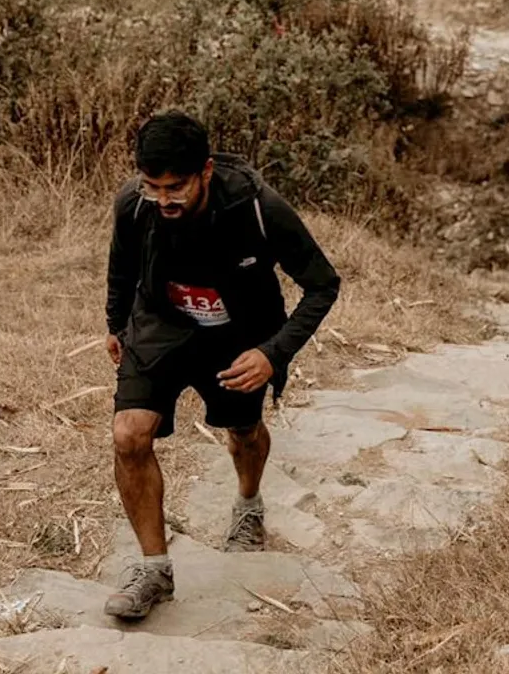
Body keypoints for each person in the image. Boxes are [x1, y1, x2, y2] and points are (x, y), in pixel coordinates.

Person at [101, 111, 341, 621]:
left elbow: (323, 284)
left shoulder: (259, 209)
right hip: (161, 323)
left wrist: (273, 354)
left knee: (245, 429)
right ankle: (154, 571)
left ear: (205, 171)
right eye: (152, 187)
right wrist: (116, 325)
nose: (163, 199)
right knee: (128, 435)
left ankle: (249, 506)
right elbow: (121, 265)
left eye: (176, 187)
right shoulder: (133, 204)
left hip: (240, 334)